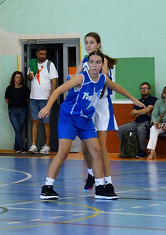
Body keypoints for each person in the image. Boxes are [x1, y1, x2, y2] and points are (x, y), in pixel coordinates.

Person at [38, 51, 143, 201]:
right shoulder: (81, 78)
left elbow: (116, 87)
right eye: (91, 62)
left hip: (86, 120)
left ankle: (100, 188)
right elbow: (59, 90)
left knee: (97, 151)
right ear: (88, 64)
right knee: (63, 152)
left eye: (97, 62)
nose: (94, 65)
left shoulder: (102, 78)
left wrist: (133, 99)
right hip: (69, 118)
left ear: (102, 65)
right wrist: (48, 106)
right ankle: (47, 187)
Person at [79, 33, 119, 195]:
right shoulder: (84, 61)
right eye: (86, 42)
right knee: (85, 147)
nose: (88, 45)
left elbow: (103, 84)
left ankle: (108, 183)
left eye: (91, 42)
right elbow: (76, 80)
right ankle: (91, 174)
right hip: (88, 106)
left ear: (99, 44)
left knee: (101, 148)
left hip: (101, 105)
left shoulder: (103, 62)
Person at [27, 47, 58, 154]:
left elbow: (54, 81)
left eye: (44, 54)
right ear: (37, 54)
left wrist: (51, 96)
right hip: (33, 98)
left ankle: (47, 145)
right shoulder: (32, 64)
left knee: (46, 123)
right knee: (34, 121)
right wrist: (29, 76)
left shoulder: (50, 64)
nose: (43, 56)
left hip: (45, 99)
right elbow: (29, 78)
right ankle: (33, 145)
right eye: (41, 53)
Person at [116, 82, 156, 158]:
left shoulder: (153, 99)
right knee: (120, 129)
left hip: (146, 123)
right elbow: (132, 114)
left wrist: (138, 112)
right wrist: (143, 112)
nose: (143, 90)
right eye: (142, 88)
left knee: (140, 129)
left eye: (145, 88)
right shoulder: (138, 101)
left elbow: (147, 110)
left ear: (149, 90)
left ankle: (142, 151)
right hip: (135, 123)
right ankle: (126, 150)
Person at [5, 70, 30, 153]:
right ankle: (22, 147)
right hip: (13, 111)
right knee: (18, 129)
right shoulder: (9, 88)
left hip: (22, 109)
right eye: (17, 77)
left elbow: (27, 99)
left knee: (19, 129)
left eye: (20, 77)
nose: (18, 79)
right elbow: (7, 100)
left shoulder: (25, 88)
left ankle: (16, 147)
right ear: (13, 79)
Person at [146, 86, 166, 159]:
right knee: (153, 129)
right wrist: (155, 122)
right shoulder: (158, 102)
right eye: (165, 92)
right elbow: (154, 114)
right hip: (161, 123)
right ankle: (152, 152)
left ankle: (151, 150)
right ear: (163, 94)